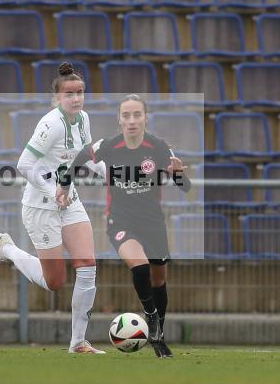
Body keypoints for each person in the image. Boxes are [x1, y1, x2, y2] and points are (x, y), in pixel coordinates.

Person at [0, 62, 106, 354]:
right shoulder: (50, 124)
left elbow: (86, 157)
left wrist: (112, 177)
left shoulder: (83, 119)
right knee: (55, 282)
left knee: (87, 266)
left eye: (80, 93)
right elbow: (24, 165)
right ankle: (7, 250)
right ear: (57, 98)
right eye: (69, 94)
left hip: (70, 200)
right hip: (41, 206)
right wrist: (53, 191)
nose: (76, 99)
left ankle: (78, 342)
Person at [57, 94, 188, 358]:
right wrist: (65, 183)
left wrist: (178, 175)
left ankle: (159, 336)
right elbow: (81, 157)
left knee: (159, 280)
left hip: (153, 222)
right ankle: (150, 319)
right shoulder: (109, 146)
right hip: (120, 220)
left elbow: (186, 187)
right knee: (139, 266)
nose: (131, 120)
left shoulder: (159, 147)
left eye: (136, 115)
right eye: (126, 115)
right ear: (119, 120)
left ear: (145, 118)